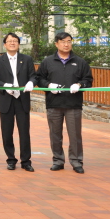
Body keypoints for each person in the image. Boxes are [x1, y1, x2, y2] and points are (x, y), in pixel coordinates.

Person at [36, 32, 93, 174]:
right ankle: (58, 160)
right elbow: (39, 78)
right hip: (54, 103)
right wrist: (49, 85)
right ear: (56, 44)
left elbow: (88, 80)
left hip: (73, 104)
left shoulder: (80, 62)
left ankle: (76, 161)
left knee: (75, 135)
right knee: (55, 134)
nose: (66, 44)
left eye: (69, 41)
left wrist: (80, 85)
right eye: (62, 41)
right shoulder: (47, 62)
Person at [0, 32, 36, 172]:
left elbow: (33, 76)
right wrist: (4, 86)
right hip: (6, 100)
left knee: (24, 132)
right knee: (7, 132)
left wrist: (31, 83)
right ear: (5, 44)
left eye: (15, 41)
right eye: (9, 41)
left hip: (22, 100)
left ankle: (26, 161)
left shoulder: (26, 59)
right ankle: (11, 159)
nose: (12, 43)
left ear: (18, 44)